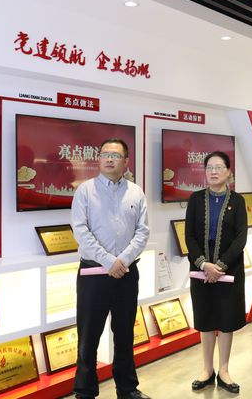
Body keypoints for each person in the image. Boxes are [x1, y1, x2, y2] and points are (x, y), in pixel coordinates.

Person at [71, 138, 150, 399]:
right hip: (94, 274)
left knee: (125, 334)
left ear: (126, 161)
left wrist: (122, 261)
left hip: (126, 274)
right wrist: (108, 261)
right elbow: (81, 231)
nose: (109, 159)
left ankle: (127, 389)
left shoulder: (136, 192)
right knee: (88, 337)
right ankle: (85, 392)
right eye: (104, 154)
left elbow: (142, 232)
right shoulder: (85, 191)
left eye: (115, 155)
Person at [185, 151, 248, 394]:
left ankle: (224, 370)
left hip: (229, 270)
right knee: (206, 318)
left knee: (226, 319)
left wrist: (220, 266)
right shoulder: (195, 199)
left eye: (219, 167)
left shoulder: (238, 201)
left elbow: (241, 238)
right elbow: (189, 236)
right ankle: (206, 369)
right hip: (201, 269)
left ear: (229, 172)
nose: (214, 172)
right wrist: (204, 264)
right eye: (209, 167)